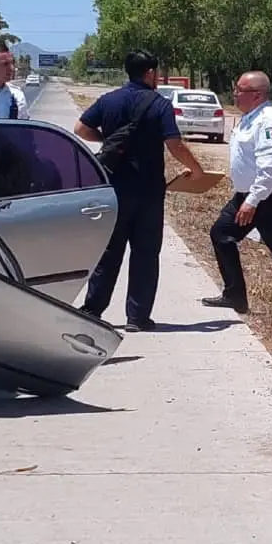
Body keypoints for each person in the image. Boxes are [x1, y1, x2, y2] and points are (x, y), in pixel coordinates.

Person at [73, 49, 207, 332]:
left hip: (114, 189)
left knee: (109, 252)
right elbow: (174, 144)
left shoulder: (109, 100)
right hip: (148, 191)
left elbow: (80, 129)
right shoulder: (160, 105)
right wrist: (196, 170)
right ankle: (137, 317)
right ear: (150, 73)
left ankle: (93, 310)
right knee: (145, 254)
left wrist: (108, 139)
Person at [201, 70, 272, 315]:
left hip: (270, 197)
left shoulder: (269, 121)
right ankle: (235, 296)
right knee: (221, 234)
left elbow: (268, 168)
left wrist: (253, 200)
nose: (235, 94)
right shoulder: (249, 118)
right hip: (247, 196)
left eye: (240, 90)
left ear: (257, 94)